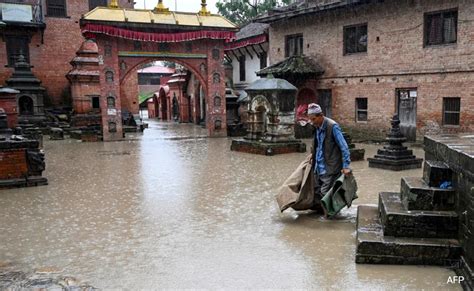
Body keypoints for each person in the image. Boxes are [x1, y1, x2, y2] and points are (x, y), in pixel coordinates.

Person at [307, 103, 351, 214]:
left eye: (314, 119)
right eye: (311, 120)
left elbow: (344, 147)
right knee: (317, 192)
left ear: (321, 115)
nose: (312, 122)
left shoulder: (333, 126)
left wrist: (346, 166)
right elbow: (317, 144)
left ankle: (328, 218)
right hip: (318, 167)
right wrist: (313, 155)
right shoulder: (316, 127)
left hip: (330, 168)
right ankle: (327, 213)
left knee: (325, 193)